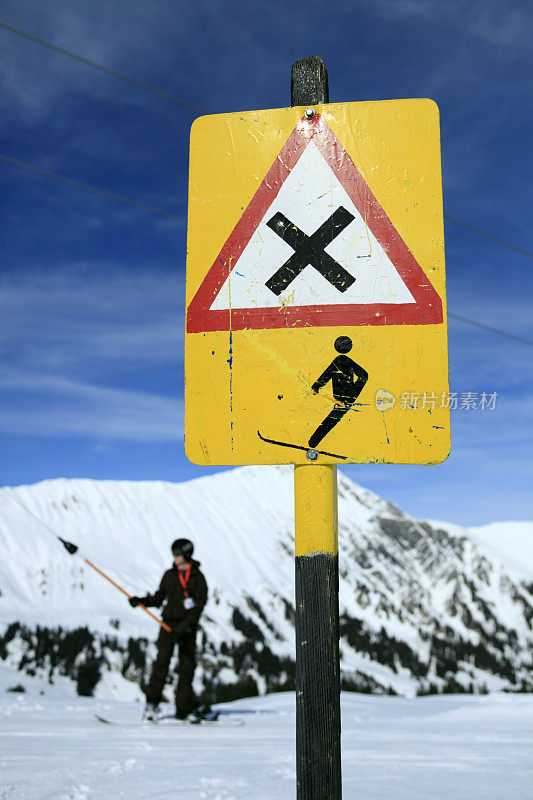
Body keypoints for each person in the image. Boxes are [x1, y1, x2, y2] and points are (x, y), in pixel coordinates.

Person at [128, 538, 213, 722]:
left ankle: (184, 709)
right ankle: (152, 705)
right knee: (161, 665)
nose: (174, 557)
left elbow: (198, 607)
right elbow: (159, 598)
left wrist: (184, 627)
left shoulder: (198, 578)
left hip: (187, 630)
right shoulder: (169, 575)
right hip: (168, 626)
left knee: (186, 668)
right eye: (173, 553)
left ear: (187, 554)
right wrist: (141, 601)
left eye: (177, 553)